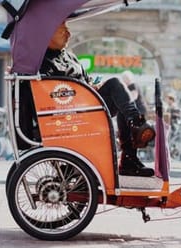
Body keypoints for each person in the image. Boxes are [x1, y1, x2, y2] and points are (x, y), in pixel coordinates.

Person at [41, 22, 155, 177]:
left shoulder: (70, 55)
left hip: (87, 103)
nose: (68, 34)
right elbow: (51, 92)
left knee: (120, 98)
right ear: (47, 34)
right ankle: (137, 123)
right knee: (116, 83)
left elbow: (87, 79)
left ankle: (129, 157)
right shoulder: (43, 61)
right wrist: (84, 88)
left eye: (68, 30)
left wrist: (94, 85)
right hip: (71, 112)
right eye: (63, 31)